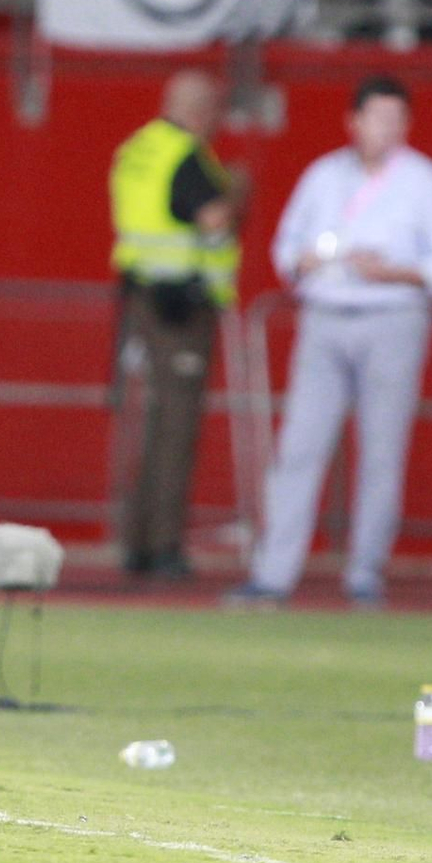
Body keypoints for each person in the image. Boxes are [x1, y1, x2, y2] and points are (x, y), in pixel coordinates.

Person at [224, 77, 432, 611]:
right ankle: (273, 575)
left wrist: (397, 273)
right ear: (353, 121)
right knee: (298, 450)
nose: (388, 130)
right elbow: (285, 247)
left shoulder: (426, 183)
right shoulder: (324, 176)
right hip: (325, 317)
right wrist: (304, 262)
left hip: (393, 320)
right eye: (378, 117)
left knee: (382, 452)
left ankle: (364, 574)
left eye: (397, 120)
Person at [110, 72, 245, 580]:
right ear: (200, 109)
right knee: (174, 430)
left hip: (142, 298)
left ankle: (137, 541)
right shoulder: (188, 156)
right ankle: (163, 547)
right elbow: (214, 220)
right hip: (182, 308)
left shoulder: (137, 149)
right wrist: (236, 192)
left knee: (150, 426)